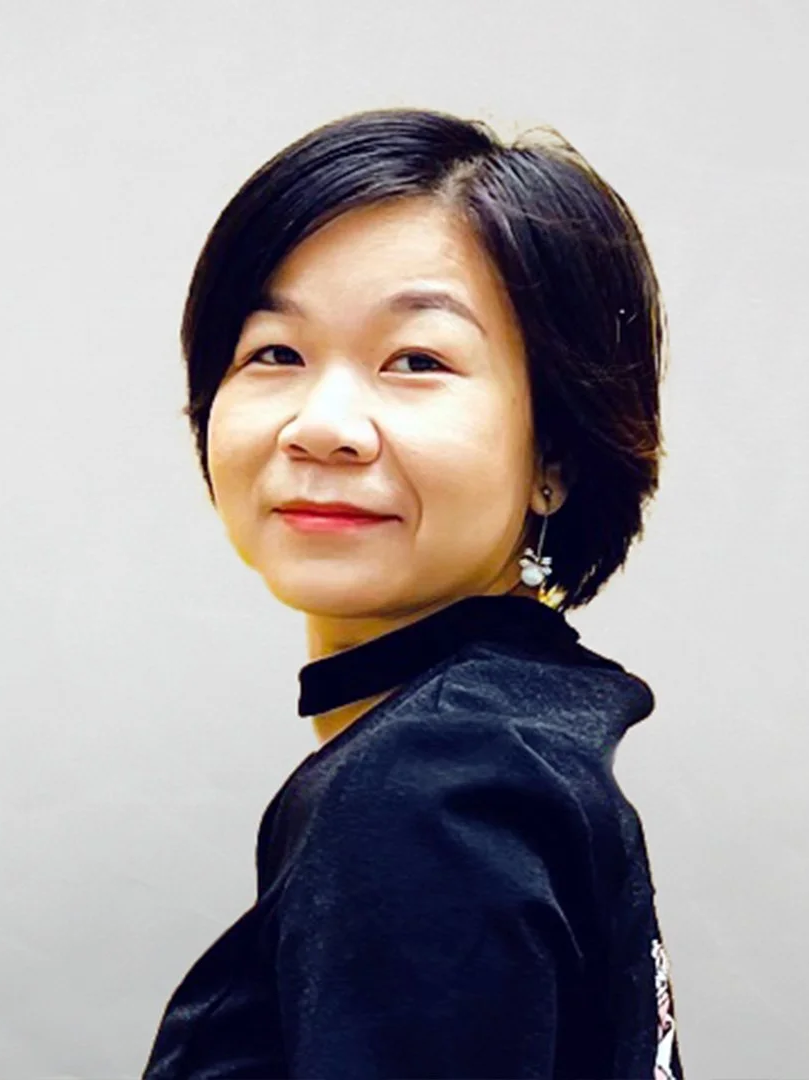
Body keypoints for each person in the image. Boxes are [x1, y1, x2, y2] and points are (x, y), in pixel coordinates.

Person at [142, 106, 684, 1079]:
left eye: (418, 361)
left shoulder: (432, 798)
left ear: (554, 454)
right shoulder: (518, 743)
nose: (322, 426)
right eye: (274, 353)